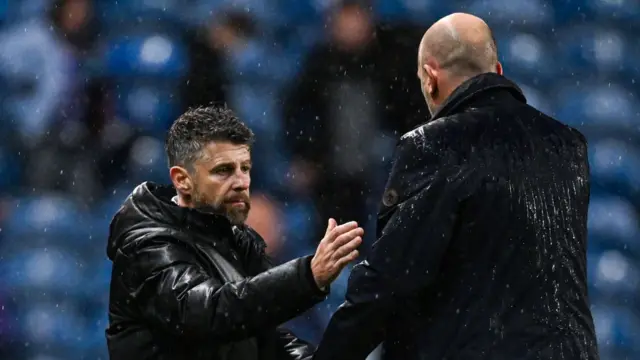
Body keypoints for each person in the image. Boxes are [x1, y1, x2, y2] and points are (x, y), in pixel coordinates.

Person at [313, 13, 599, 360]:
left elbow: (392, 279)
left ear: (431, 78)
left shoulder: (435, 145)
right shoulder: (568, 146)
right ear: (498, 71)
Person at [105, 105, 364, 360]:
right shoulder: (146, 246)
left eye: (245, 169)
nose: (241, 183)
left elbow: (264, 340)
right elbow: (210, 314)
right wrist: (308, 276)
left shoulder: (236, 242)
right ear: (183, 180)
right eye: (223, 171)